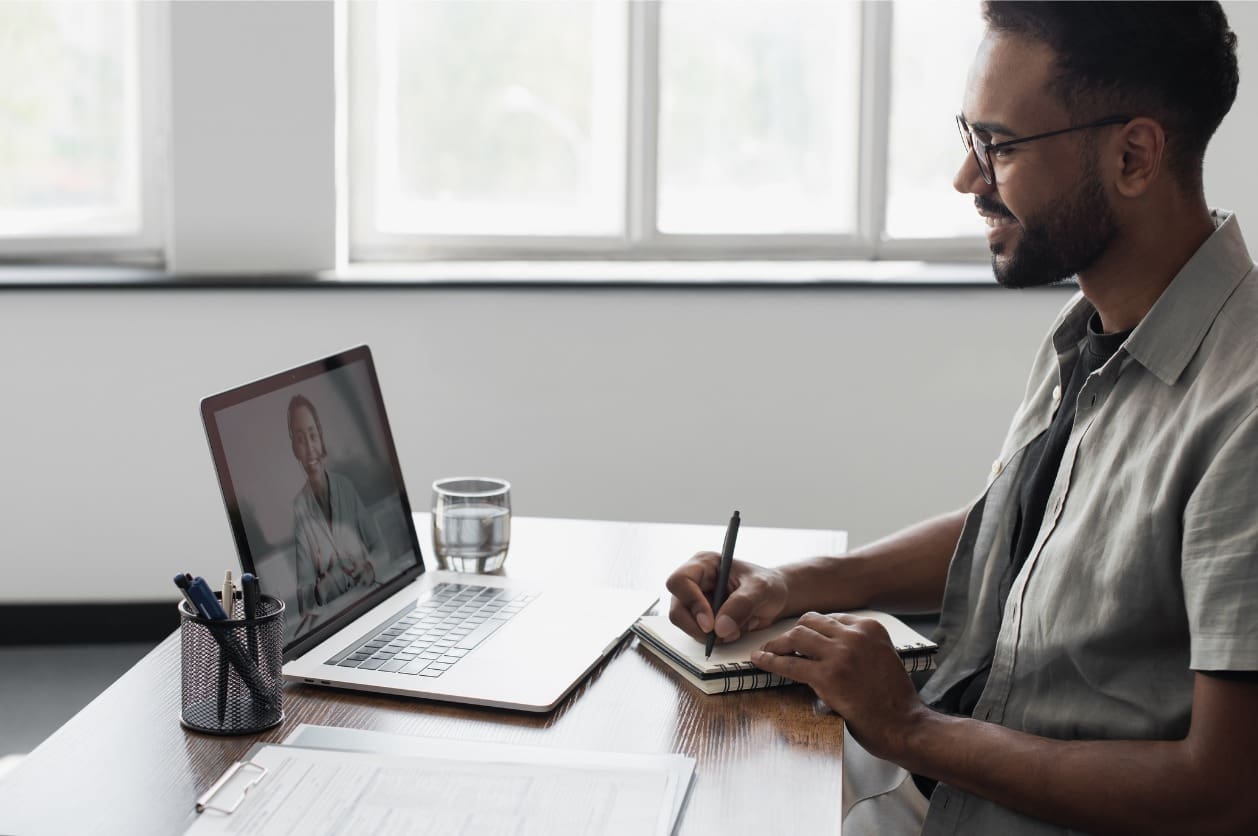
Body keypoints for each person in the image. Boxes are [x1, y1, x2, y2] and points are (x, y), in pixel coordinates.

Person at [666, 3, 1258, 834]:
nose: (967, 178)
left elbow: (1224, 795)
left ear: (1133, 156)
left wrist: (911, 728)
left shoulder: (1244, 411)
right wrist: (799, 582)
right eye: (968, 137)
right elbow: (1036, 527)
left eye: (1000, 147)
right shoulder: (1092, 329)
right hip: (932, 779)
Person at [288, 394, 385, 619]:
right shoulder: (299, 507)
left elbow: (380, 548)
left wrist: (370, 568)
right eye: (301, 440)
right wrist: (321, 589)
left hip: (372, 603)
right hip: (337, 619)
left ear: (321, 438)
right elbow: (304, 596)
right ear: (295, 449)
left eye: (313, 436)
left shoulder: (345, 487)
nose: (310, 448)